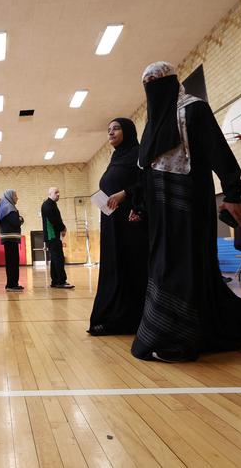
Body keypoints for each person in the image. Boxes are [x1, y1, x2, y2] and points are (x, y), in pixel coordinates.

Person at [128, 61, 241, 362]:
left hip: (188, 205)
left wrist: (233, 191)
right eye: (146, 83)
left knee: (184, 266)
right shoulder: (152, 123)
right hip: (158, 212)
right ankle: (178, 332)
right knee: (163, 266)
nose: (152, 88)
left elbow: (219, 150)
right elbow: (145, 169)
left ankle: (176, 340)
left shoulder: (194, 110)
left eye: (156, 81)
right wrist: (140, 206)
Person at [89, 118, 148, 335]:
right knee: (116, 266)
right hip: (112, 221)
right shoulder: (116, 157)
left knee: (132, 265)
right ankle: (114, 316)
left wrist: (126, 193)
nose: (111, 133)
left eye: (116, 128)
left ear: (128, 131)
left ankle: (134, 318)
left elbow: (147, 181)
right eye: (108, 130)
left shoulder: (138, 153)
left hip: (131, 219)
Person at [41, 187, 74, 289]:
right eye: (56, 192)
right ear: (50, 194)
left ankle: (55, 281)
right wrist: (63, 228)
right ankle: (61, 281)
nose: (58, 194)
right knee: (58, 258)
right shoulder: (47, 205)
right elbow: (54, 220)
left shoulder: (51, 204)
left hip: (54, 236)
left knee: (55, 259)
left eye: (59, 192)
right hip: (52, 236)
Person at [0, 189, 24, 292]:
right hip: (11, 239)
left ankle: (11, 284)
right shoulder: (9, 208)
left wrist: (19, 219)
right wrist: (21, 219)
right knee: (13, 262)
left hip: (8, 239)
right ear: (10, 196)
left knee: (11, 262)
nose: (17, 198)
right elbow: (16, 222)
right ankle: (12, 285)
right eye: (15, 196)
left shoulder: (5, 207)